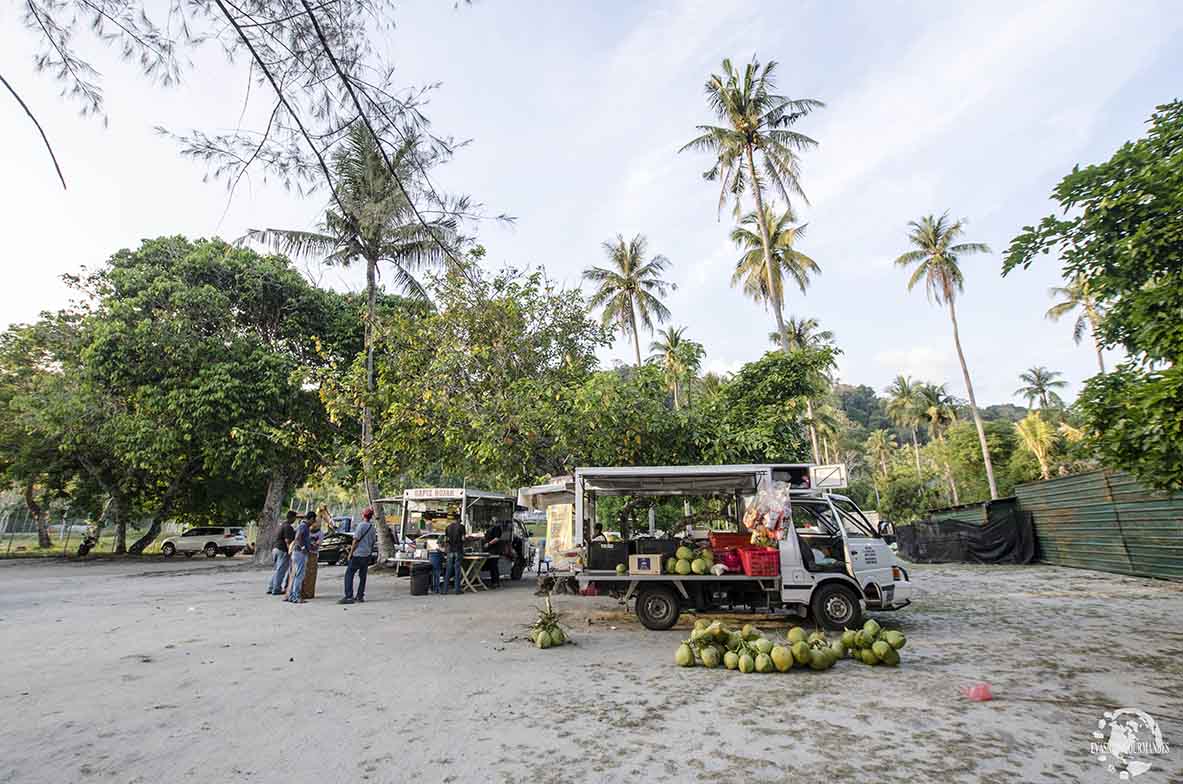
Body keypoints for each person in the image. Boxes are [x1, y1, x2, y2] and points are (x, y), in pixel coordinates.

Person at [340, 507, 377, 604]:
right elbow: (373, 542)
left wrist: (350, 553)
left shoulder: (361, 526)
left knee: (349, 574)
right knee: (363, 576)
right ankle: (360, 596)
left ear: (363, 515)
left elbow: (355, 541)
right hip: (366, 555)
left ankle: (349, 596)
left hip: (358, 555)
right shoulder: (372, 528)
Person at [286, 511, 314, 603]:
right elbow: (298, 537)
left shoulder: (302, 526)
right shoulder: (304, 526)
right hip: (300, 554)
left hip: (297, 553)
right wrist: (303, 548)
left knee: (296, 575)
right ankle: (296, 597)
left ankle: (292, 596)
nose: (313, 523)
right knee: (299, 576)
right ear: (311, 519)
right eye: (313, 521)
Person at [267, 511, 297, 595]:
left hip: (275, 549)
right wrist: (290, 551)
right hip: (282, 550)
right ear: (292, 518)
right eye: (295, 518)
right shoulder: (288, 527)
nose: (295, 520)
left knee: (278, 570)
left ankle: (271, 587)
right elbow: (287, 541)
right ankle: (276, 589)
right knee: (281, 571)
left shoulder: (281, 525)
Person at [301, 510, 325, 600]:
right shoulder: (306, 529)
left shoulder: (320, 533)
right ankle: (302, 592)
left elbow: (317, 544)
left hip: (313, 555)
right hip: (304, 553)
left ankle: (309, 593)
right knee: (303, 574)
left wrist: (312, 544)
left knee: (311, 575)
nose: (314, 525)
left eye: (317, 523)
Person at [442, 517, 466, 595]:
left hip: (450, 551)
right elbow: (463, 538)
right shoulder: (461, 527)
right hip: (458, 550)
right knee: (457, 570)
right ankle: (457, 590)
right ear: (459, 520)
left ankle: (445, 590)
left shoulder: (448, 527)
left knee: (448, 569)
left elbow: (446, 540)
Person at [481, 523, 503, 589]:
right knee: (492, 566)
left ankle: (495, 583)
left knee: (493, 566)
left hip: (494, 550)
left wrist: (488, 544)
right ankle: (494, 582)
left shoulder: (496, 528)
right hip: (489, 550)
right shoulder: (489, 529)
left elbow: (496, 539)